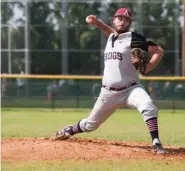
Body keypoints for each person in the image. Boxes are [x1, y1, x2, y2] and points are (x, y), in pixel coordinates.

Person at [51, 8, 167, 154]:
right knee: (90, 125)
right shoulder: (111, 37)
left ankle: (156, 143)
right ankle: (69, 130)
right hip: (108, 93)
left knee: (148, 106)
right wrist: (97, 22)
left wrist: (147, 68)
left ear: (129, 23)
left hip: (131, 89)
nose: (122, 21)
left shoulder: (133, 38)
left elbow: (159, 51)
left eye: (126, 20)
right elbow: (109, 31)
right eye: (119, 18)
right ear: (113, 20)